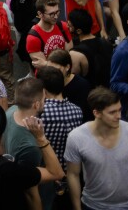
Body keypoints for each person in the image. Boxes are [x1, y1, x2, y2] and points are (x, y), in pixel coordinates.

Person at [65, 87, 128, 210]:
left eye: (119, 110)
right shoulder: (77, 137)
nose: (119, 116)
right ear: (96, 113)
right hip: (93, 205)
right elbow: (73, 174)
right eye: (112, 112)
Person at [3, 77, 58, 210]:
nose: (45, 100)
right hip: (41, 197)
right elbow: (31, 192)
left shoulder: (11, 111)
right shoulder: (30, 146)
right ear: (36, 105)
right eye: (44, 99)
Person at [36, 66, 83, 208]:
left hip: (47, 172)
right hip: (71, 173)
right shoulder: (77, 111)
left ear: (43, 90)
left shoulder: (40, 113)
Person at [26, 0, 73, 69]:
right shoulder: (33, 38)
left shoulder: (63, 26)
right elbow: (45, 69)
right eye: (51, 14)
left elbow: (70, 56)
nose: (56, 16)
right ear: (40, 14)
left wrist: (46, 63)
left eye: (57, 12)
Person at [70, 9, 114, 89]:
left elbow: (73, 81)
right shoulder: (106, 43)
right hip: (108, 91)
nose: (67, 27)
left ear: (79, 31)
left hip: (91, 94)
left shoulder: (75, 53)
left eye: (70, 26)